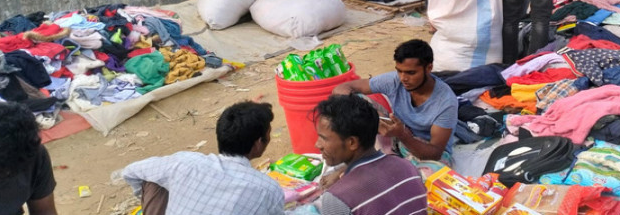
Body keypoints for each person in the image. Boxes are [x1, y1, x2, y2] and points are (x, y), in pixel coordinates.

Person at [122, 101, 283, 215]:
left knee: (154, 179)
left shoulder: (185, 163)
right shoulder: (267, 189)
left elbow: (131, 172)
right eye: (268, 134)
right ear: (258, 144)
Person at [332, 40, 458, 164]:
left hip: (424, 151)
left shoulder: (446, 102)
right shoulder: (395, 80)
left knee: (428, 175)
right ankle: (371, 160)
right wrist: (374, 115)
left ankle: (380, 161)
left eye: (411, 73)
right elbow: (341, 89)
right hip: (396, 135)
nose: (403, 78)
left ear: (428, 68)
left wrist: (402, 135)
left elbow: (435, 153)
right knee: (351, 100)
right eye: (399, 71)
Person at [313, 95, 427, 215]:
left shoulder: (338, 198)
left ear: (352, 143)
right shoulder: (407, 167)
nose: (317, 145)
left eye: (323, 138)